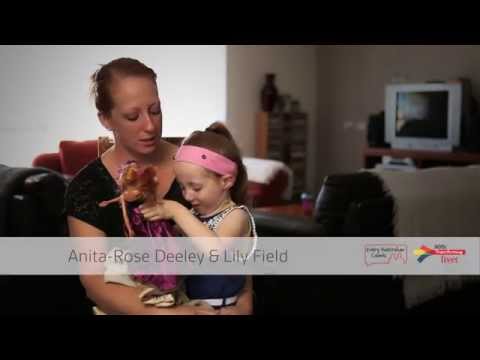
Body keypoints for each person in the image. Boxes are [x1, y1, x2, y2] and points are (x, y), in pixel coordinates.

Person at [65, 57, 253, 315]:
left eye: (155, 110)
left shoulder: (194, 166)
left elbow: (233, 237)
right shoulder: (87, 188)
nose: (150, 126)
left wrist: (243, 301)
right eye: (133, 116)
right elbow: (95, 283)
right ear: (106, 119)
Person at [140, 122, 257, 314]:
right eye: (183, 187)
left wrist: (177, 211)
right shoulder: (194, 216)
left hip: (224, 309)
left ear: (226, 181)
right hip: (191, 306)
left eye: (196, 188)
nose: (187, 196)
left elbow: (214, 251)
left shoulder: (236, 216)